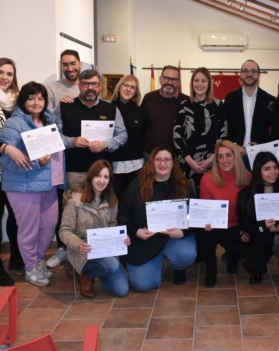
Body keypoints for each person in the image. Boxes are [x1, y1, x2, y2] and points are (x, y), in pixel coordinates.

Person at [51, 69, 128, 269]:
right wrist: (71, 141)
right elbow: (53, 134)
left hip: (102, 174)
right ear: (80, 85)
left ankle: (101, 251)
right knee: (71, 214)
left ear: (100, 86)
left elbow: (122, 135)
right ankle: (69, 252)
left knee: (100, 213)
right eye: (86, 84)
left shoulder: (111, 109)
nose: (90, 88)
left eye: (94, 84)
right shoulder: (65, 106)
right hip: (74, 172)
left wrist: (106, 144)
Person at [0, 82, 65, 286]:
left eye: (40, 98)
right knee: (29, 229)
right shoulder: (15, 123)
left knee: (48, 226)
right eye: (31, 98)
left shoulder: (48, 121)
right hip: (24, 187)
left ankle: (37, 262)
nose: (36, 102)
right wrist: (38, 162)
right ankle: (30, 268)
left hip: (50, 184)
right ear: (23, 100)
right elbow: (8, 160)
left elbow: (59, 143)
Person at [117, 145, 197, 291]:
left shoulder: (184, 187)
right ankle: (155, 261)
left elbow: (195, 216)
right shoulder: (137, 186)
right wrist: (136, 232)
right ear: (151, 162)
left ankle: (178, 267)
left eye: (167, 159)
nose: (162, 163)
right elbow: (123, 216)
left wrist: (183, 232)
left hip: (173, 238)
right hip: (145, 241)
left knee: (186, 254)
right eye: (158, 159)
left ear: (173, 163)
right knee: (143, 285)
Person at [59, 160, 129, 298]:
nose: (102, 181)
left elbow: (113, 227)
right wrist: (78, 244)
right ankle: (86, 275)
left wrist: (122, 239)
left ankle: (101, 270)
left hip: (105, 250)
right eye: (98, 176)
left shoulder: (112, 201)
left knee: (122, 291)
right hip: (83, 250)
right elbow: (64, 231)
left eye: (106, 177)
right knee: (112, 266)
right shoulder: (74, 200)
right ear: (91, 177)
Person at [44, 50, 85, 269]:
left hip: (88, 156)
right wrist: (62, 105)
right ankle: (62, 247)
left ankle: (86, 245)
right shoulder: (52, 89)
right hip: (63, 156)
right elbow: (45, 122)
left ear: (80, 64)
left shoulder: (88, 85)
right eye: (65, 64)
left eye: (73, 63)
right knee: (65, 205)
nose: (69, 68)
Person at [237, 152, 279, 287]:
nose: (273, 172)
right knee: (252, 265)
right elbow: (244, 222)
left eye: (275, 167)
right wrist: (262, 226)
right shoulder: (247, 194)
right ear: (258, 171)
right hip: (260, 237)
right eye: (267, 169)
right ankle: (259, 268)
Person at [197, 140, 251, 288]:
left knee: (239, 249)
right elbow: (205, 209)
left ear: (236, 156)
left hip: (236, 225)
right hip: (214, 225)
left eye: (228, 155)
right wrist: (206, 222)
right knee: (203, 234)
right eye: (220, 156)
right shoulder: (207, 179)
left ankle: (232, 258)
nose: (224, 160)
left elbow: (250, 210)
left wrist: (248, 229)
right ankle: (211, 267)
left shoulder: (248, 178)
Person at [173, 67, 227, 190]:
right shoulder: (184, 106)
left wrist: (211, 160)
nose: (199, 84)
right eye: (196, 80)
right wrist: (190, 161)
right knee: (188, 198)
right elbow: (177, 135)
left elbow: (223, 135)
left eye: (203, 81)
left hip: (212, 164)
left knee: (209, 199)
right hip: (188, 164)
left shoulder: (218, 106)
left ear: (209, 84)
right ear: (192, 83)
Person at [223, 60, 276, 169]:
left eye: (253, 71)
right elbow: (224, 127)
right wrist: (232, 145)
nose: (249, 74)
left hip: (259, 155)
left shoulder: (270, 100)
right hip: (235, 155)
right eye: (246, 71)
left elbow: (275, 131)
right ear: (241, 74)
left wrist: (263, 147)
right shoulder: (230, 98)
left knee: (257, 186)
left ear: (259, 74)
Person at [0, 58, 26, 279]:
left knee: (17, 216)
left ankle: (17, 259)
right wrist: (5, 147)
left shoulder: (16, 103)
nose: (5, 78)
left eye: (9, 74)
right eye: (1, 72)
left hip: (14, 171)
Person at [140, 65, 189, 153]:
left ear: (179, 82)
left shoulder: (187, 101)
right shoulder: (148, 98)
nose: (169, 82)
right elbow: (141, 126)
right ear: (160, 79)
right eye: (166, 78)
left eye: (174, 79)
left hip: (177, 156)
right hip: (150, 155)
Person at [111, 74, 145, 200]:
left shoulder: (140, 111)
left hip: (135, 163)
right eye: (125, 85)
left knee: (133, 200)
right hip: (114, 162)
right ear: (119, 87)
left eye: (132, 87)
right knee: (115, 200)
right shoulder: (108, 108)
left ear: (136, 92)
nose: (128, 89)